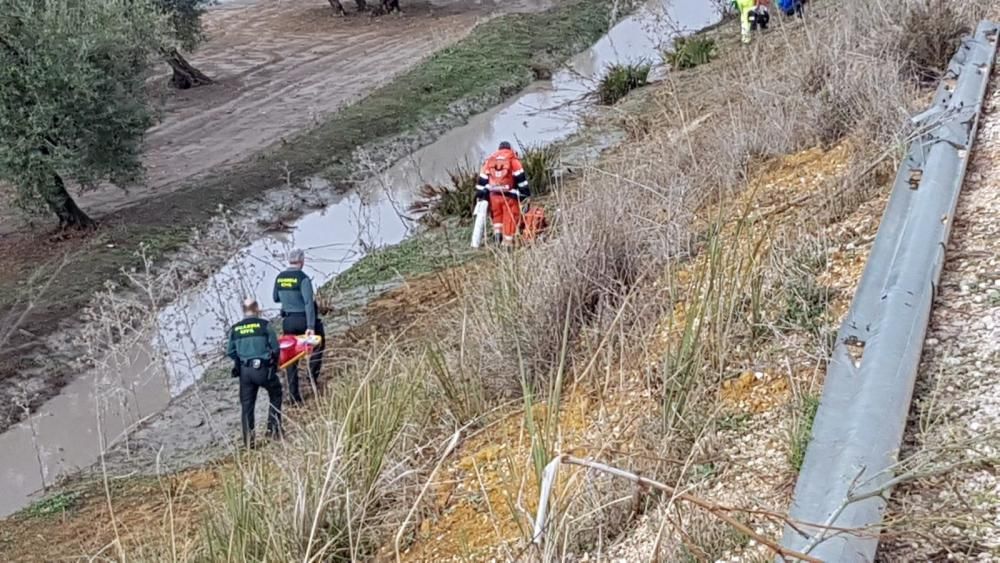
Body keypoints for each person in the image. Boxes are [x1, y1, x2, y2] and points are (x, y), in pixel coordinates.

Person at [227, 298, 282, 448]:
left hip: (245, 372)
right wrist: (275, 364)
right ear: (256, 308)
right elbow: (276, 348)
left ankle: (249, 443)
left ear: (243, 310)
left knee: (247, 407)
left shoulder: (235, 329)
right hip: (263, 369)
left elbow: (230, 352)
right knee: (276, 393)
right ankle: (273, 430)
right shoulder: (264, 326)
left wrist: (241, 359)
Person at [273, 249, 326, 405]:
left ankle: (294, 395)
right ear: (302, 261)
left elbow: (275, 298)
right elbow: (309, 303)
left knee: (291, 357)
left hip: (288, 321)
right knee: (318, 345)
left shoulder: (280, 278)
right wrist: (310, 325)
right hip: (303, 319)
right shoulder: (303, 279)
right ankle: (312, 375)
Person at [476, 141, 530, 247]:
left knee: (497, 216)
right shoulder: (513, 160)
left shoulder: (489, 161)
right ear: (510, 149)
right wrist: (525, 194)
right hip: (510, 196)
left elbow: (482, 180)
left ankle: (497, 237)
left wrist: (480, 195)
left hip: (493, 196)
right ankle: (508, 245)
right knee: (510, 218)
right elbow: (521, 180)